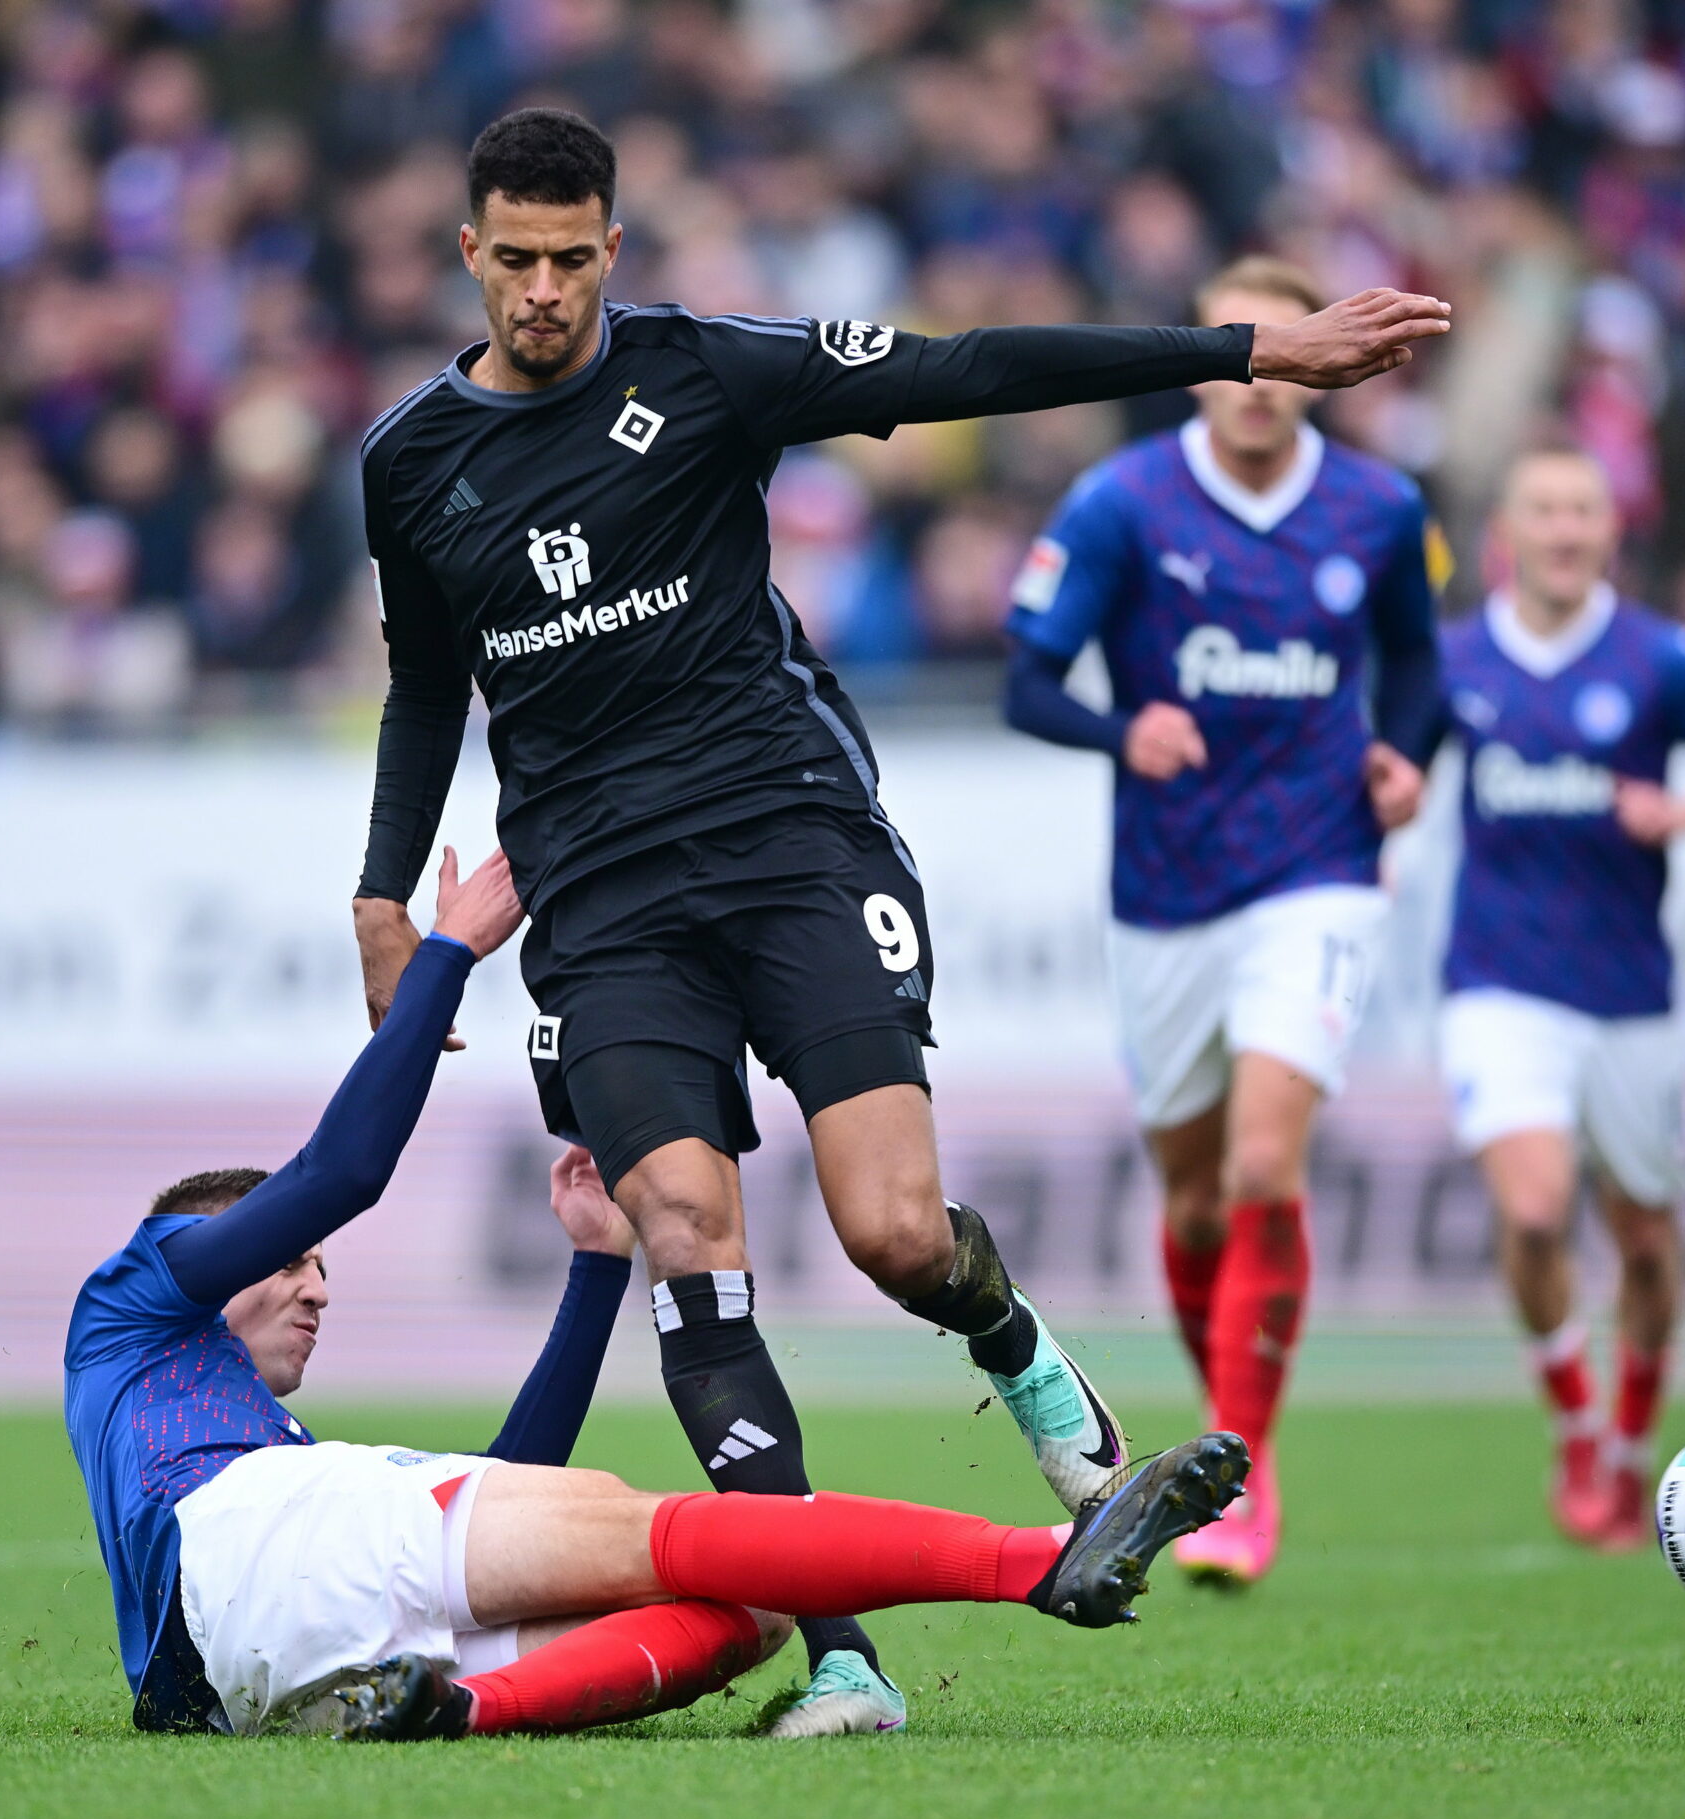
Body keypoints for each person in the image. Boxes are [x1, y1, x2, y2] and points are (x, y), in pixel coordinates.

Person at [347, 106, 1448, 1725]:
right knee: (684, 1235)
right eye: (512, 262)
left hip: (791, 840)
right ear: (469, 252)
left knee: (892, 1234)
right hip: (598, 900)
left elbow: (969, 367)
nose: (542, 294)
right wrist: (388, 894)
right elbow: (425, 689)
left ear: (612, 250)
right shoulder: (412, 460)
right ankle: (843, 1658)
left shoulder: (704, 370)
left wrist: (1247, 343)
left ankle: (1013, 1347)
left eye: (571, 262)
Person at [62, 842, 1249, 1740]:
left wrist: (594, 1265)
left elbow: (501, 1481)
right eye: (287, 1263)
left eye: (319, 1270)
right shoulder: (134, 1298)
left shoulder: (228, 1430)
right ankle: (1043, 1558)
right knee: (671, 1530)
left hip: (233, 1674)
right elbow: (343, 1171)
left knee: (757, 1610)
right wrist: (449, 954)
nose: (315, 1291)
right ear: (197, 1252)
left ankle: (454, 1711)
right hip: (248, 1560)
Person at [998, 257, 1446, 1587]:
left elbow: (1420, 661)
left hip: (1319, 869)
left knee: (1264, 1166)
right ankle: (1231, 1411)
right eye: (1246, 346)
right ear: (1214, 356)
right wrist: (1117, 724)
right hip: (1167, 891)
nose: (1262, 379)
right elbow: (1028, 675)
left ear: (1323, 362)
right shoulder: (1122, 501)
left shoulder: (1379, 507)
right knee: (1196, 1199)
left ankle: (1243, 1460)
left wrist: (1407, 751)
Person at [1435, 445, 1685, 1550]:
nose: (1563, 529)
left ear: (1609, 529)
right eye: (1542, 509)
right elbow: (1383, 762)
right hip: (1495, 982)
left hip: (1630, 995)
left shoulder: (1663, 660)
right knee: (1535, 1208)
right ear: (1509, 530)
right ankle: (1578, 1429)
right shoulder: (1452, 660)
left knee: (1642, 1234)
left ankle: (1634, 1447)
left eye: (1581, 510)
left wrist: (1681, 816)